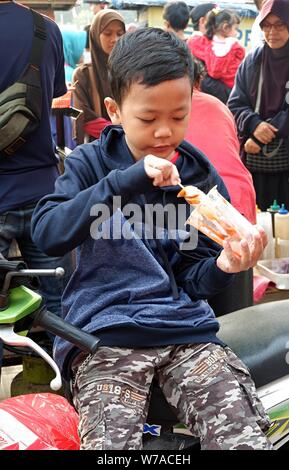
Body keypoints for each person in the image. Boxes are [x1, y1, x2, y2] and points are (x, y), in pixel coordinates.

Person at [31, 28, 272, 450]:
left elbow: (191, 278)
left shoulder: (199, 178)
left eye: (179, 117)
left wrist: (224, 267)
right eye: (148, 119)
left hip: (184, 333)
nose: (164, 132)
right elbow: (48, 232)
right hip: (104, 335)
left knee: (243, 437)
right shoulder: (90, 165)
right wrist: (126, 181)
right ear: (115, 110)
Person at [0, 1, 72, 319]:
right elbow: (54, 93)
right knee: (57, 307)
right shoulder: (47, 30)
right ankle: (58, 368)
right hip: (43, 192)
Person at [185, 59, 256, 315]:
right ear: (199, 80)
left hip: (208, 211)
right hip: (238, 209)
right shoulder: (218, 105)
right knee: (238, 314)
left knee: (210, 312)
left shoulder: (164, 109)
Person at [228, 0, 289, 212]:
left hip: (284, 159)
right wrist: (254, 124)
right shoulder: (253, 60)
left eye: (280, 24)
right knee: (259, 216)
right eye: (266, 25)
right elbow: (235, 103)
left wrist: (263, 133)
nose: (272, 32)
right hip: (256, 161)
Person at [72, 9, 125, 143]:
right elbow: (85, 116)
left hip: (132, 145)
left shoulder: (131, 70)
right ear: (95, 36)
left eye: (120, 33)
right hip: (99, 145)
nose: (115, 39)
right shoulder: (83, 74)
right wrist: (119, 131)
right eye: (107, 33)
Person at [188, 8, 245, 104]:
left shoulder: (203, 43)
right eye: (235, 29)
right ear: (225, 28)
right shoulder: (227, 47)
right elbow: (215, 71)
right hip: (229, 92)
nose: (236, 33)